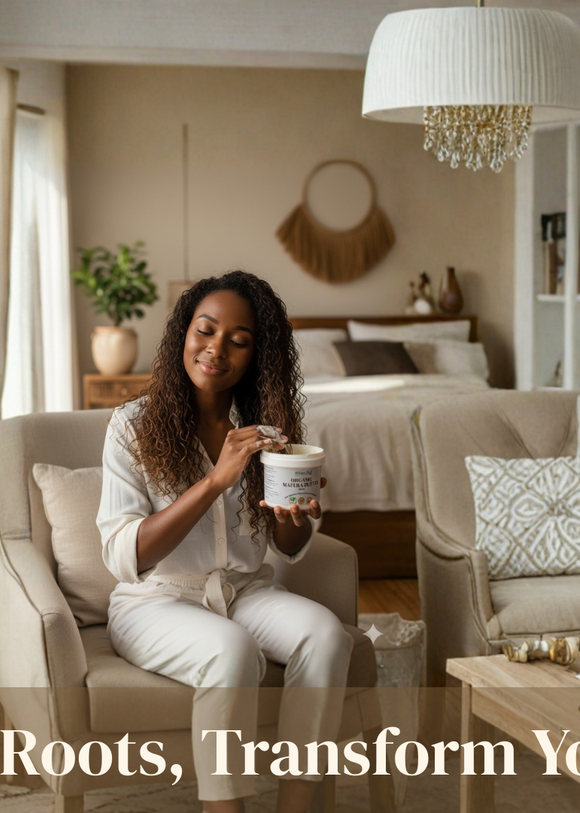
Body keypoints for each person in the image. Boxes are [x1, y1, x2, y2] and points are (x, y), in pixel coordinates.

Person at [97, 271, 352, 813]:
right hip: (156, 602)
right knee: (230, 651)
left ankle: (295, 805)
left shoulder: (267, 432)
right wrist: (216, 479)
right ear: (182, 336)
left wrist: (296, 515)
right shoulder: (131, 427)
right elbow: (126, 556)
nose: (216, 349)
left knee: (327, 636)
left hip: (246, 593)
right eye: (205, 331)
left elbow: (288, 546)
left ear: (256, 356)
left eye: (238, 341)